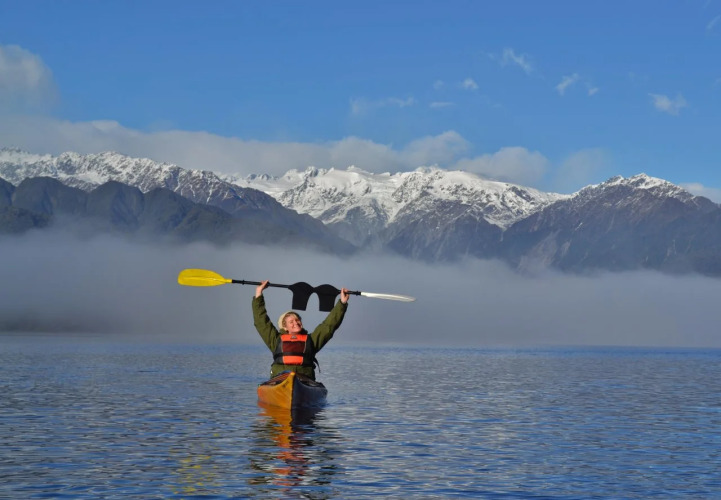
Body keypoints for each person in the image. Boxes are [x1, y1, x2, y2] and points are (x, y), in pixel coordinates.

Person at [253, 280, 349, 380]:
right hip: (280, 379)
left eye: (297, 320)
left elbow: (329, 325)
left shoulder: (311, 340)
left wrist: (342, 303)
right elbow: (261, 322)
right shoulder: (276, 340)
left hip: (304, 379)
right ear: (285, 327)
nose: (296, 323)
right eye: (291, 322)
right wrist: (258, 293)